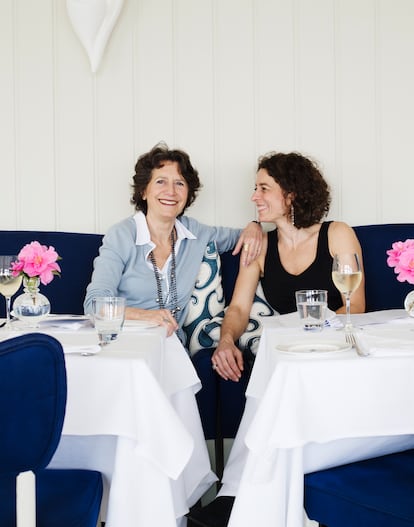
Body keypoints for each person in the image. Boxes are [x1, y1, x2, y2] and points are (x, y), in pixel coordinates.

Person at [187, 151, 366, 527]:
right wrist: (226, 342)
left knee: (273, 364)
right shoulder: (262, 246)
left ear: (292, 194)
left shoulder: (337, 233)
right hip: (289, 354)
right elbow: (237, 308)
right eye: (255, 188)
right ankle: (241, 496)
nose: (254, 196)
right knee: (273, 358)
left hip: (335, 352)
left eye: (264, 188)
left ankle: (233, 495)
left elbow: (356, 307)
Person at [84, 142, 262, 344]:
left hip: (172, 345)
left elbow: (244, 237)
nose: (171, 191)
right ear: (143, 191)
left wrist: (255, 225)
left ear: (188, 194)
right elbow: (93, 305)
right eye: (161, 182)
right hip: (126, 340)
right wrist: (146, 316)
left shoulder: (196, 234)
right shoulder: (121, 235)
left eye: (179, 183)